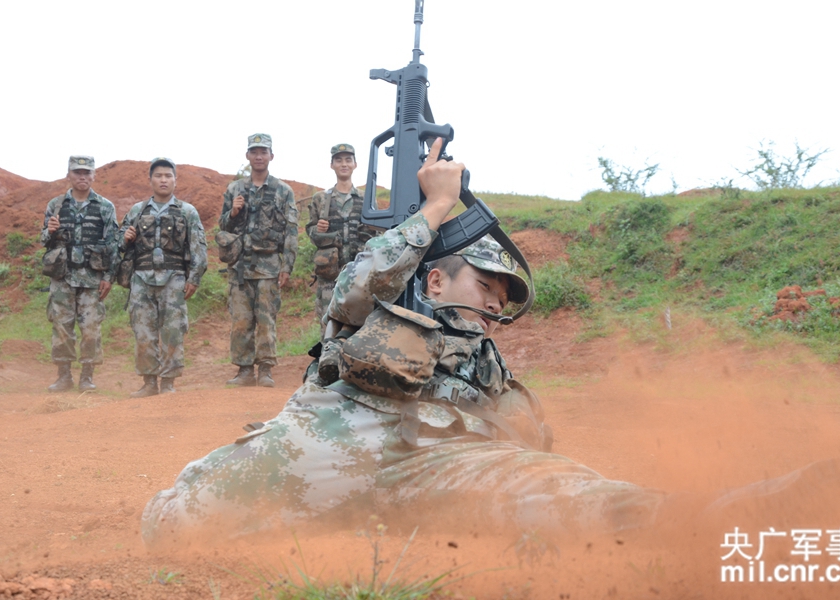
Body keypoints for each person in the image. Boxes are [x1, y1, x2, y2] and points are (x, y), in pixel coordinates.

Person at [140, 139, 663, 547]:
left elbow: (529, 451)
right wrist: (436, 206)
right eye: (484, 286)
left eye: (503, 301)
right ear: (436, 282)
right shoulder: (377, 305)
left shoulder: (490, 363)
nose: (494, 305)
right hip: (331, 444)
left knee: (586, 503)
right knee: (172, 524)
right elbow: (355, 284)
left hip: (442, 466)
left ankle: (717, 526)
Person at [119, 158, 207, 398]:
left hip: (174, 278)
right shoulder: (137, 211)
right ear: (150, 180)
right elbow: (117, 244)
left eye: (168, 176)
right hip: (141, 279)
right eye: (158, 176)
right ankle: (149, 383)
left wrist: (195, 278)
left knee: (172, 331)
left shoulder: (187, 211)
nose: (163, 180)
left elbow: (198, 246)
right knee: (143, 331)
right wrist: (124, 238)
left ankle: (168, 382)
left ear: (175, 180)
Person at [218, 133, 299, 388]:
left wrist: (287, 267)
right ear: (248, 156)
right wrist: (233, 212)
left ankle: (265, 370)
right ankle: (244, 370)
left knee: (266, 320)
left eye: (264, 152)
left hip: (268, 267)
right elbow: (221, 226)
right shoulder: (234, 189)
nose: (259, 156)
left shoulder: (283, 191)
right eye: (254, 152)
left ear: (271, 156)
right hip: (240, 267)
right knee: (241, 320)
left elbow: (291, 230)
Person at [40, 156, 120, 393]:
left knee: (91, 329)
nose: (82, 177)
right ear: (69, 175)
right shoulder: (56, 205)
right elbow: (44, 240)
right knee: (62, 328)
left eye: (87, 173)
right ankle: (64, 376)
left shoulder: (105, 207)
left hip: (92, 279)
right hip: (62, 278)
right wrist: (49, 232)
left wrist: (109, 276)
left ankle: (87, 377)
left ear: (94, 175)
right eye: (77, 173)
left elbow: (113, 244)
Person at [306, 143, 377, 334]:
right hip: (330, 274)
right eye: (339, 160)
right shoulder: (320, 199)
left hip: (359, 273)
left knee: (360, 323)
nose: (343, 164)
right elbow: (311, 233)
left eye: (348, 160)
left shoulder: (366, 199)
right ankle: (327, 361)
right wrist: (318, 230)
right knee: (328, 322)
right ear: (332, 165)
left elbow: (376, 235)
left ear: (355, 164)